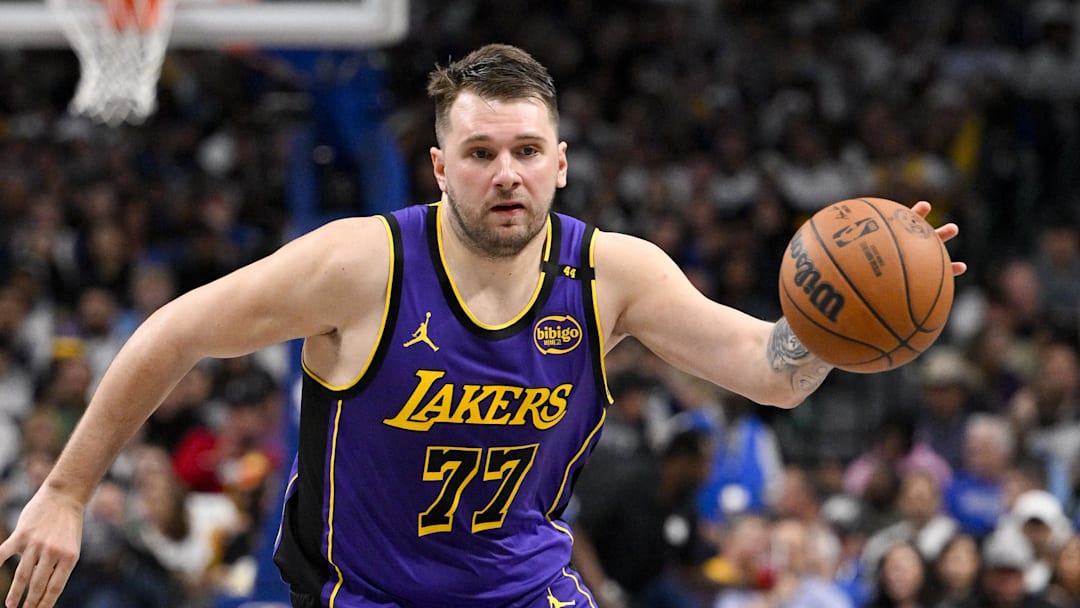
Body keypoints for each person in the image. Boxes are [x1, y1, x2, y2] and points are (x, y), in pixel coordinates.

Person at [0, 44, 966, 608]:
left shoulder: (610, 274)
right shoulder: (360, 265)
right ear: (439, 166)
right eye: (481, 151)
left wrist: (840, 324)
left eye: (527, 150)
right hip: (368, 595)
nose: (506, 172)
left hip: (525, 589)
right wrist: (68, 493)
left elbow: (774, 372)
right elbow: (173, 331)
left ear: (560, 164)